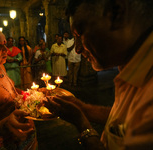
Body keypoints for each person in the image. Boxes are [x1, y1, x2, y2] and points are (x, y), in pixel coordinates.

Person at [45, 0, 153, 150]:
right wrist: (83, 108)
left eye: (80, 33)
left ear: (117, 13)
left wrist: (82, 124)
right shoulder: (132, 69)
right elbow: (124, 120)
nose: (77, 49)